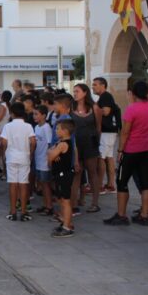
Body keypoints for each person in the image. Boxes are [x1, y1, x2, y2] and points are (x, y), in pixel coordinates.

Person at [104, 81, 148, 226]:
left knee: (122, 181)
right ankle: (144, 215)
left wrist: (120, 150)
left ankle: (121, 215)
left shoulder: (132, 109)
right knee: (146, 180)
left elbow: (125, 132)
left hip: (132, 149)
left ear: (132, 93)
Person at [1, 102, 36, 221]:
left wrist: (4, 154)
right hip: (24, 157)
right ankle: (24, 211)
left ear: (12, 113)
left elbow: (4, 142)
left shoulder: (7, 126)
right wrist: (30, 154)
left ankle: (13, 211)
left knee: (12, 184)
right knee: (23, 184)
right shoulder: (28, 126)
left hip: (11, 157)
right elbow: (33, 141)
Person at [72, 83, 102, 213]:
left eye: (77, 91)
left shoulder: (94, 107)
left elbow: (99, 127)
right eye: (74, 92)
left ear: (85, 93)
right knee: (77, 173)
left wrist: (97, 143)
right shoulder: (71, 108)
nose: (75, 94)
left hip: (90, 143)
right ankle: (75, 202)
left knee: (92, 172)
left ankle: (95, 202)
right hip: (76, 144)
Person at [48, 119, 77, 238]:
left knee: (65, 201)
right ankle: (66, 222)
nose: (56, 130)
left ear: (65, 131)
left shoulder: (62, 144)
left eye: (58, 128)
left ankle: (67, 227)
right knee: (61, 199)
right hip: (60, 174)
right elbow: (51, 153)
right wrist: (52, 153)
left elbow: (49, 157)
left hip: (63, 175)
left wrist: (52, 154)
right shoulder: (61, 142)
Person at [93, 77, 119, 194]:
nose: (93, 87)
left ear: (103, 85)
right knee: (108, 156)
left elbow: (106, 111)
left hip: (106, 131)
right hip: (110, 132)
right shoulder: (104, 97)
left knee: (101, 157)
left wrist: (93, 110)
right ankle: (110, 184)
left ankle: (100, 186)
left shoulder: (106, 96)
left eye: (95, 84)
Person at [33, 105, 54, 216]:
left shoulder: (47, 128)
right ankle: (45, 204)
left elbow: (50, 144)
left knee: (46, 185)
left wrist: (49, 160)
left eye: (36, 114)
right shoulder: (37, 127)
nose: (34, 116)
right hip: (38, 159)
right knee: (41, 184)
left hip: (45, 161)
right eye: (34, 114)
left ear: (44, 115)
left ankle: (49, 206)